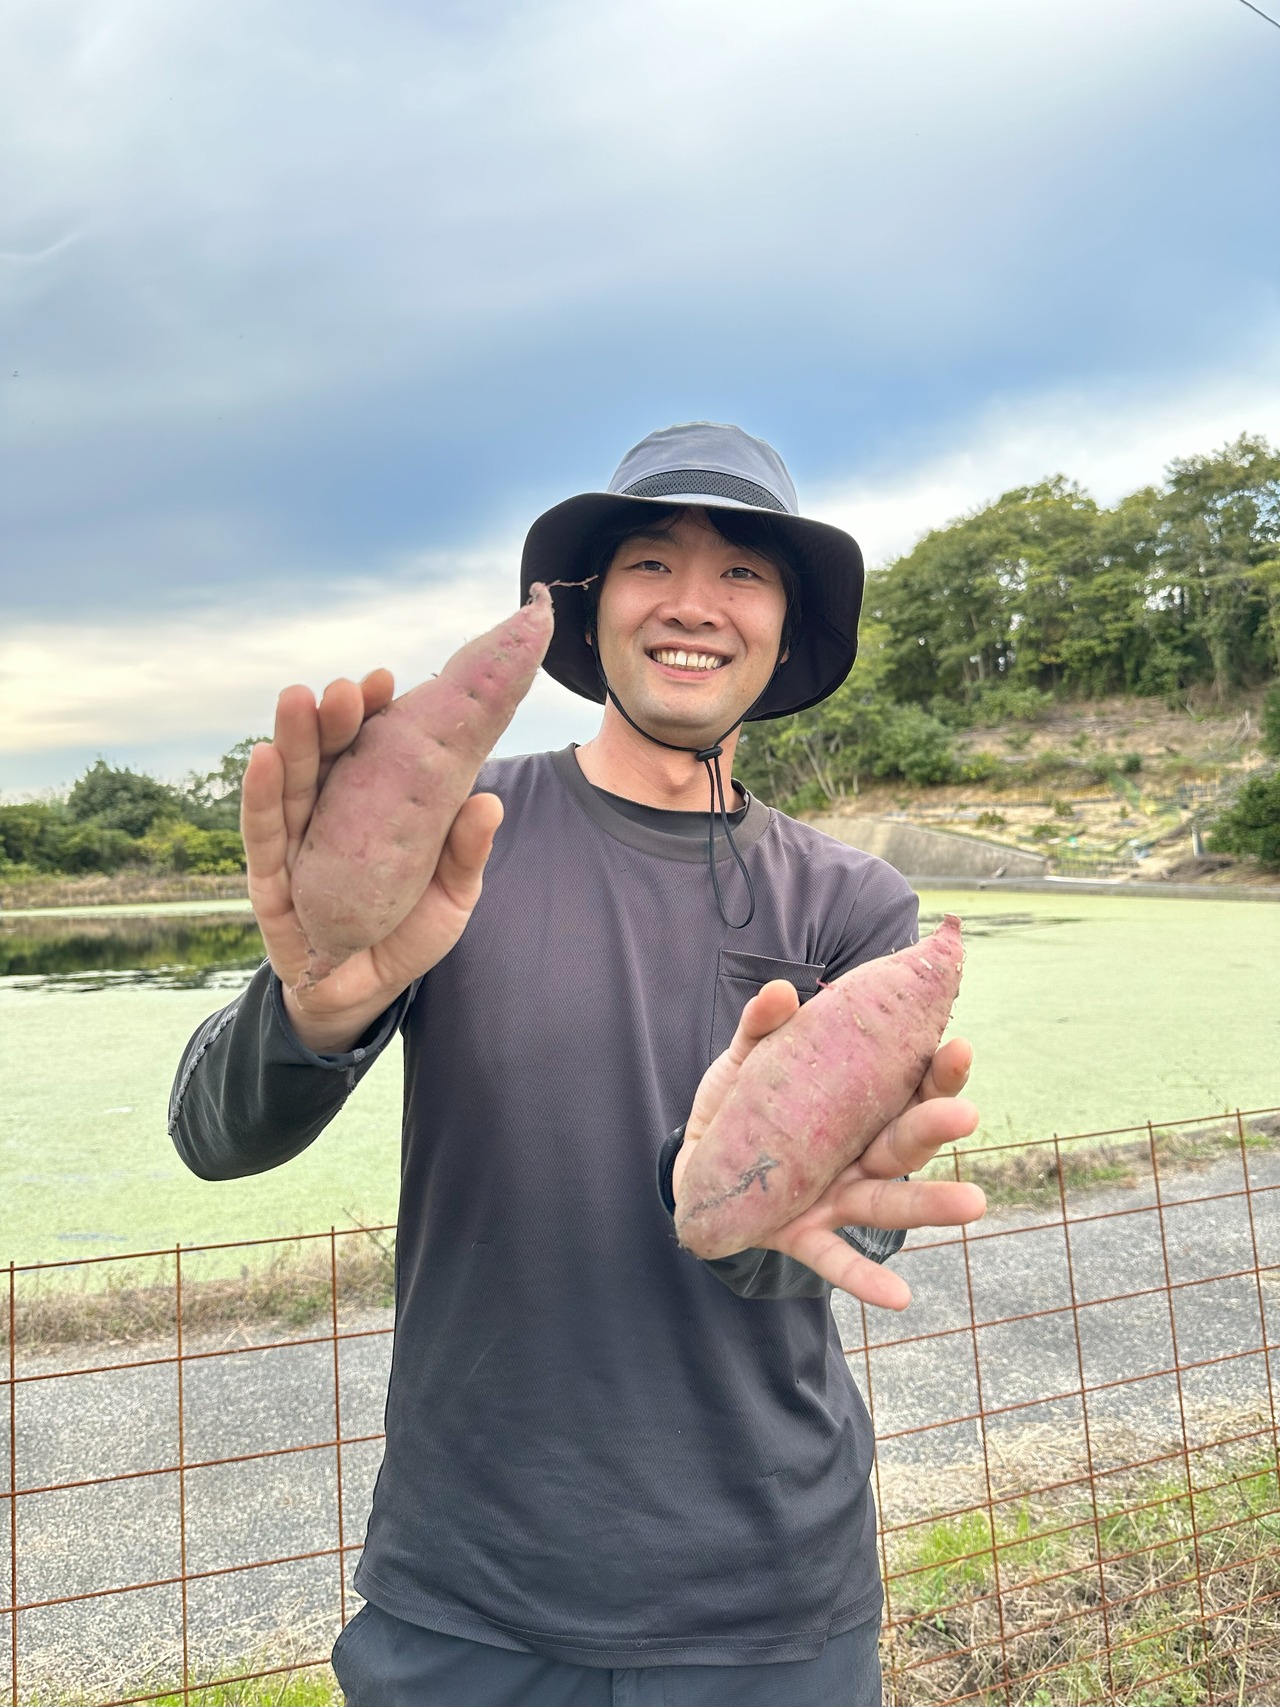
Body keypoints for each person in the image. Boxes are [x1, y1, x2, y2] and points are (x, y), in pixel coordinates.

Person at [170, 422, 985, 1707]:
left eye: (743, 573)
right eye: (651, 560)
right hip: (466, 1591)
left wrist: (744, 1200)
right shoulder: (456, 827)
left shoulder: (853, 903)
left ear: (782, 627)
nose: (692, 605)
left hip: (765, 1598)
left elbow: (834, 1231)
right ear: (589, 610)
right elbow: (215, 1139)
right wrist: (313, 1010)